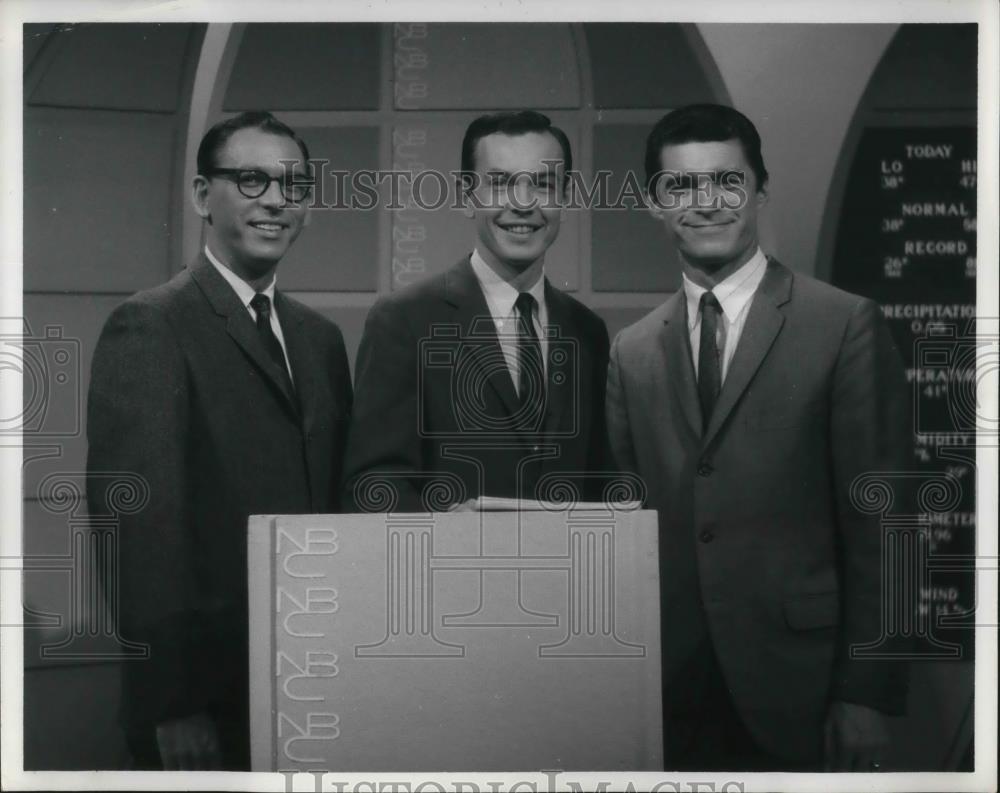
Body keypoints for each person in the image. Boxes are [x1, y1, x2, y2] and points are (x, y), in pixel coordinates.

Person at [605, 104, 910, 771]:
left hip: (805, 685)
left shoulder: (843, 323)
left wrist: (868, 694)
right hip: (669, 692)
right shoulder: (631, 351)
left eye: (727, 181)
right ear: (655, 204)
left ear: (760, 192)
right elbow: (631, 533)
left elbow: (885, 525)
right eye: (681, 186)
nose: (705, 202)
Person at [86, 111, 353, 770]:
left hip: (315, 685)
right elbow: (138, 524)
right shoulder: (152, 324)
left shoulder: (319, 340)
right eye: (252, 179)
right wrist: (174, 703)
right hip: (203, 704)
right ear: (203, 196)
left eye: (292, 184)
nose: (275, 200)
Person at [342, 110, 610, 512]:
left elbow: (599, 483)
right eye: (500, 184)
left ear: (566, 199)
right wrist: (453, 534)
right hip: (452, 571)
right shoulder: (405, 321)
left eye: (543, 184)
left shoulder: (588, 331)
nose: (522, 204)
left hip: (564, 573)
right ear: (467, 196)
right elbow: (373, 486)